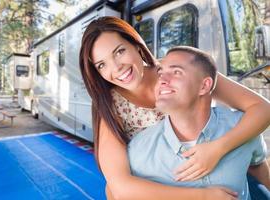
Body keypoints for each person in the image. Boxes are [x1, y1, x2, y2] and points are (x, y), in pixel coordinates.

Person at [79, 16, 270, 200]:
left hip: (217, 169)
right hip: (164, 187)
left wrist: (217, 149)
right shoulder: (110, 105)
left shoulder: (179, 71)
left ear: (136, 46)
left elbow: (262, 109)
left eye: (119, 51)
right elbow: (120, 187)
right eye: (102, 65)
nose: (116, 67)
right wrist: (204, 197)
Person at [127, 46, 270, 200]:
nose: (162, 80)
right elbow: (116, 192)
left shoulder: (242, 127)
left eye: (176, 72)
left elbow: (256, 166)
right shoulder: (139, 151)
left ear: (204, 85)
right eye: (161, 73)